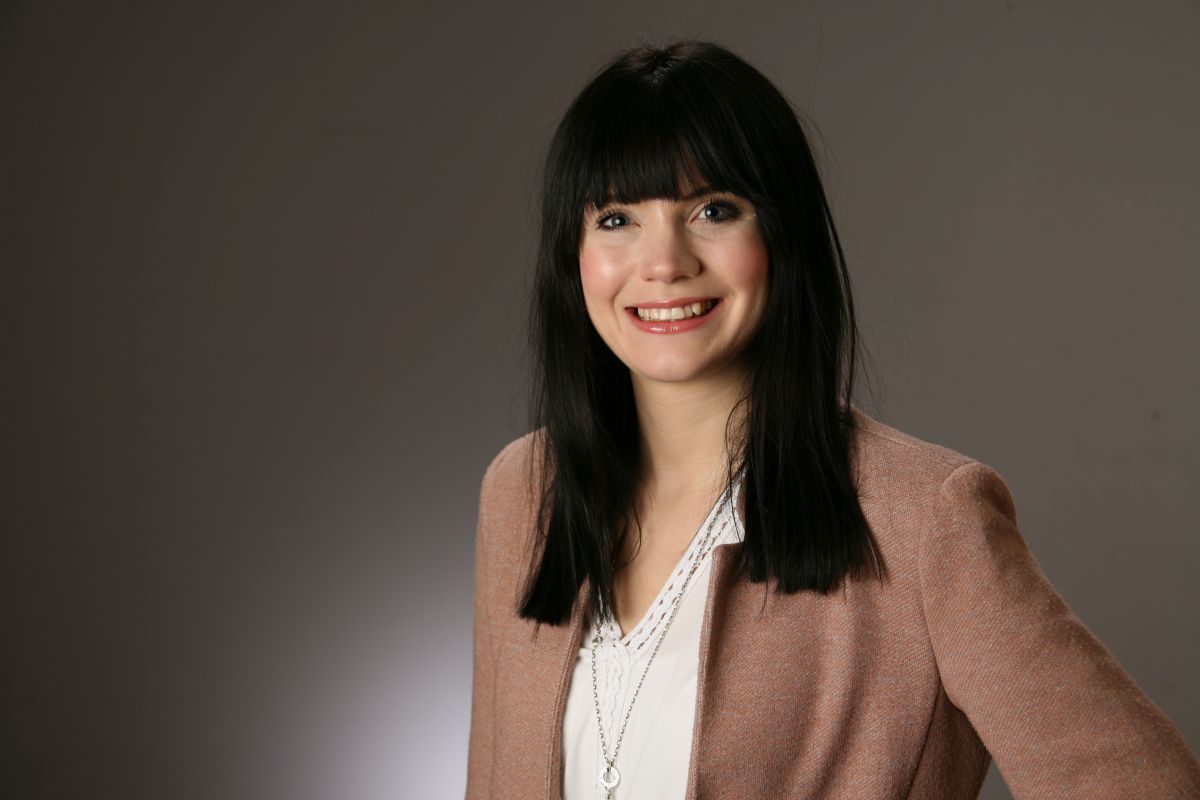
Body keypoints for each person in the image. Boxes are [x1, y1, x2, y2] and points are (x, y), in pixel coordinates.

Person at [465, 39, 1200, 800]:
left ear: (782, 235)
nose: (665, 262)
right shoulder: (521, 493)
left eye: (713, 210)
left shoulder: (925, 520)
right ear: (572, 255)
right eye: (617, 218)